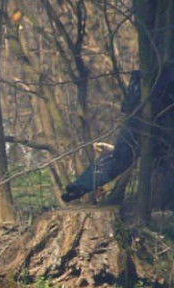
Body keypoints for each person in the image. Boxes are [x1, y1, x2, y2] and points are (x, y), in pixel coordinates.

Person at [62, 65, 174, 206]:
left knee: (120, 158)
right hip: (150, 119)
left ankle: (81, 185)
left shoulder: (153, 72)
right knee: (123, 157)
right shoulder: (160, 72)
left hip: (139, 115)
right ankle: (81, 186)